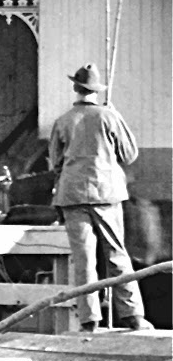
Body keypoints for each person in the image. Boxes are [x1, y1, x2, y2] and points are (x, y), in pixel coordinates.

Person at [48, 64, 152, 332]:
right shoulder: (109, 116)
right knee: (116, 254)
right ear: (97, 91)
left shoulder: (62, 121)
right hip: (106, 194)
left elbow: (55, 164)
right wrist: (117, 117)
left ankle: (89, 320)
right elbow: (129, 155)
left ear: (75, 88)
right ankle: (133, 316)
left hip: (72, 195)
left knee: (83, 260)